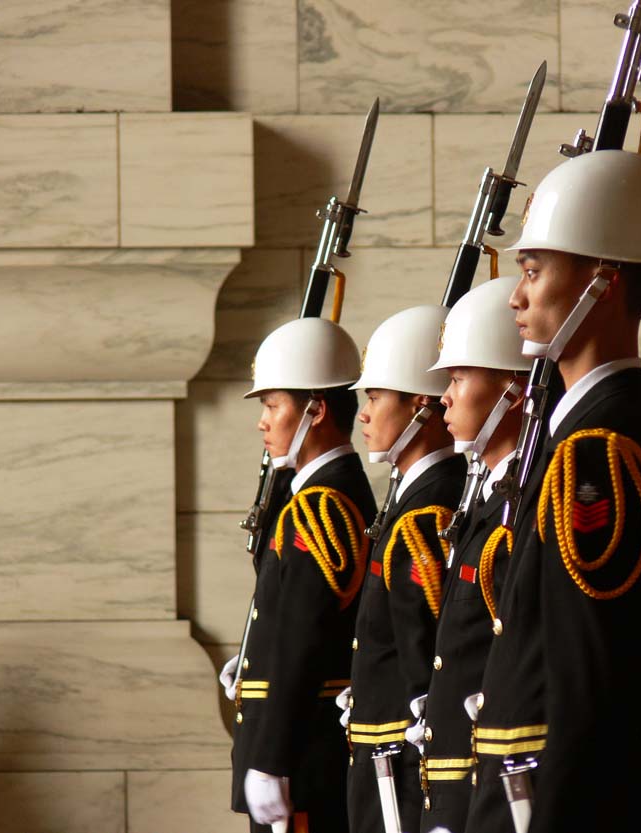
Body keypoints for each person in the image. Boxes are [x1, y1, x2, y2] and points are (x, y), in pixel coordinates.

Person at [465, 149, 641, 833]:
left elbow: (590, 680)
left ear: (601, 283)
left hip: (558, 808)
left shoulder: (595, 449)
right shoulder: (593, 435)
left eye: (534, 271)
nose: (516, 296)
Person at [414, 276, 559, 833]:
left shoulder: (532, 498)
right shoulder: (489, 503)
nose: (444, 397)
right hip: (462, 782)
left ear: (512, 392)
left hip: (503, 783)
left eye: (457, 377)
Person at [221, 316, 377, 833]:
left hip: (300, 757)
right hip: (295, 749)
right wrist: (253, 656)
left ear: (316, 409)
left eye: (272, 405)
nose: (263, 422)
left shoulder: (323, 506)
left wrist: (272, 759)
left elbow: (305, 639)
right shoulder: (311, 498)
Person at [342, 305, 466, 833]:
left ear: (421, 406)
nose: (364, 415)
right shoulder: (407, 502)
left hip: (404, 766)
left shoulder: (427, 511)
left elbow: (430, 658)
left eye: (375, 397)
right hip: (381, 756)